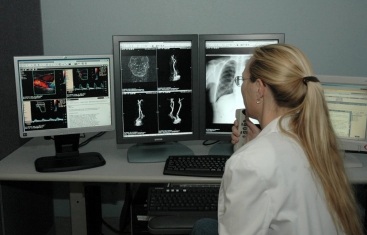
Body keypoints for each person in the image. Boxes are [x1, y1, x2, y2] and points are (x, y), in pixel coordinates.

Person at [190, 44, 363, 235]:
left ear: (259, 89)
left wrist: (249, 155)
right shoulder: (316, 139)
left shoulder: (249, 163)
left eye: (244, 80)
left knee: (202, 227)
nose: (242, 86)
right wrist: (256, 144)